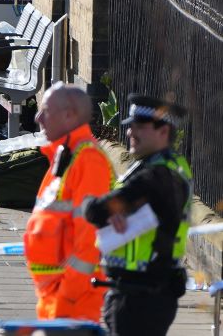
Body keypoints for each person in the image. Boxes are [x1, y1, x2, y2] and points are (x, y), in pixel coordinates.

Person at [83, 94, 191, 336]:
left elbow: (95, 210)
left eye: (140, 127)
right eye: (130, 127)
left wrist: (96, 205)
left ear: (163, 131)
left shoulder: (156, 176)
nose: (131, 133)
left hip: (140, 297)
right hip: (145, 291)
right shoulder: (167, 166)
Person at [24, 82, 113, 321]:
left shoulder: (88, 160)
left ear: (69, 115)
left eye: (46, 111)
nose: (38, 117)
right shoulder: (65, 156)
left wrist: (68, 295)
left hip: (72, 300)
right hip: (54, 296)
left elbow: (89, 239)